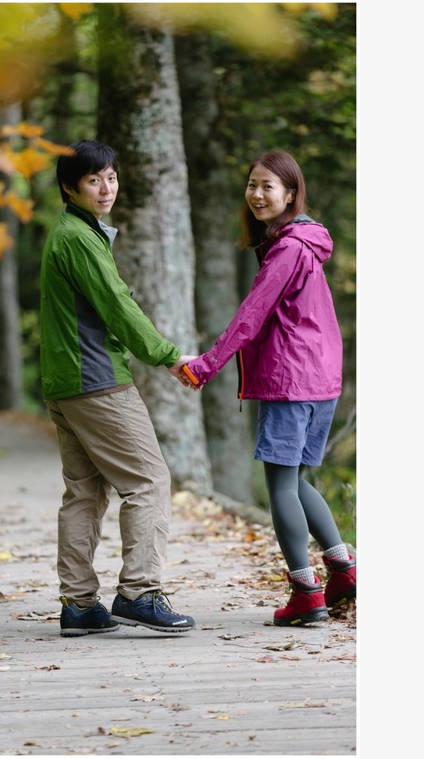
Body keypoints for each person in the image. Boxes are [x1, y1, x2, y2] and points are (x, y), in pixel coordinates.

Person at [179, 150, 355, 626]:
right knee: (296, 480)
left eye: (268, 187)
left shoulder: (289, 249)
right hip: (320, 380)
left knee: (280, 485)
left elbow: (251, 316)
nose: (257, 195)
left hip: (292, 380)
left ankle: (305, 593)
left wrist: (205, 365)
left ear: (291, 194)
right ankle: (343, 569)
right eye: (252, 185)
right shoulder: (305, 243)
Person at [38, 140, 196, 637]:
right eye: (93, 180)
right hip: (95, 380)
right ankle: (140, 592)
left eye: (111, 177)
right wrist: (168, 356)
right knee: (148, 481)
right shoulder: (78, 238)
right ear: (70, 187)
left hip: (67, 380)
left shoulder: (75, 232)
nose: (106, 188)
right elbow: (116, 304)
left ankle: (80, 606)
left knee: (84, 492)